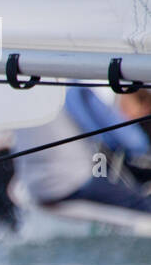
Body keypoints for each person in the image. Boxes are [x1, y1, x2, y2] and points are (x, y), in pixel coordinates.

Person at [15, 86, 151, 212]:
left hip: (33, 188)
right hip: (72, 185)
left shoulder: (22, 93)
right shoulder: (76, 89)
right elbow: (129, 142)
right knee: (140, 201)